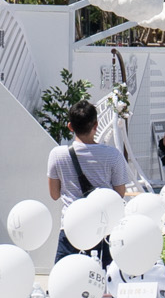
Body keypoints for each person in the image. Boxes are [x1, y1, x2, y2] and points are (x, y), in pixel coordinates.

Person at [47, 100, 133, 259]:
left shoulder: (57, 154)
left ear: (70, 127)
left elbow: (54, 194)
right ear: (96, 125)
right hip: (103, 228)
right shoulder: (113, 155)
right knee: (103, 278)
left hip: (71, 228)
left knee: (66, 278)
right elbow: (119, 193)